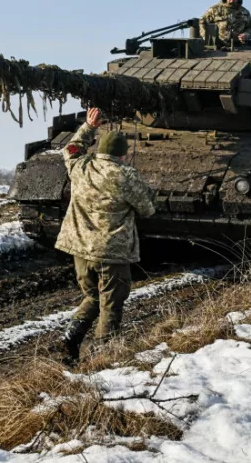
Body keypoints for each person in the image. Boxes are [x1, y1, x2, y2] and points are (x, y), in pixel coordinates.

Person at [55, 108, 156, 363]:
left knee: (93, 296)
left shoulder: (81, 167)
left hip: (80, 249)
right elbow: (147, 209)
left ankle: (70, 337)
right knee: (111, 304)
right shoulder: (125, 176)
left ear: (100, 150)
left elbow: (72, 148)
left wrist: (89, 126)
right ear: (123, 154)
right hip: (111, 252)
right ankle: (104, 358)